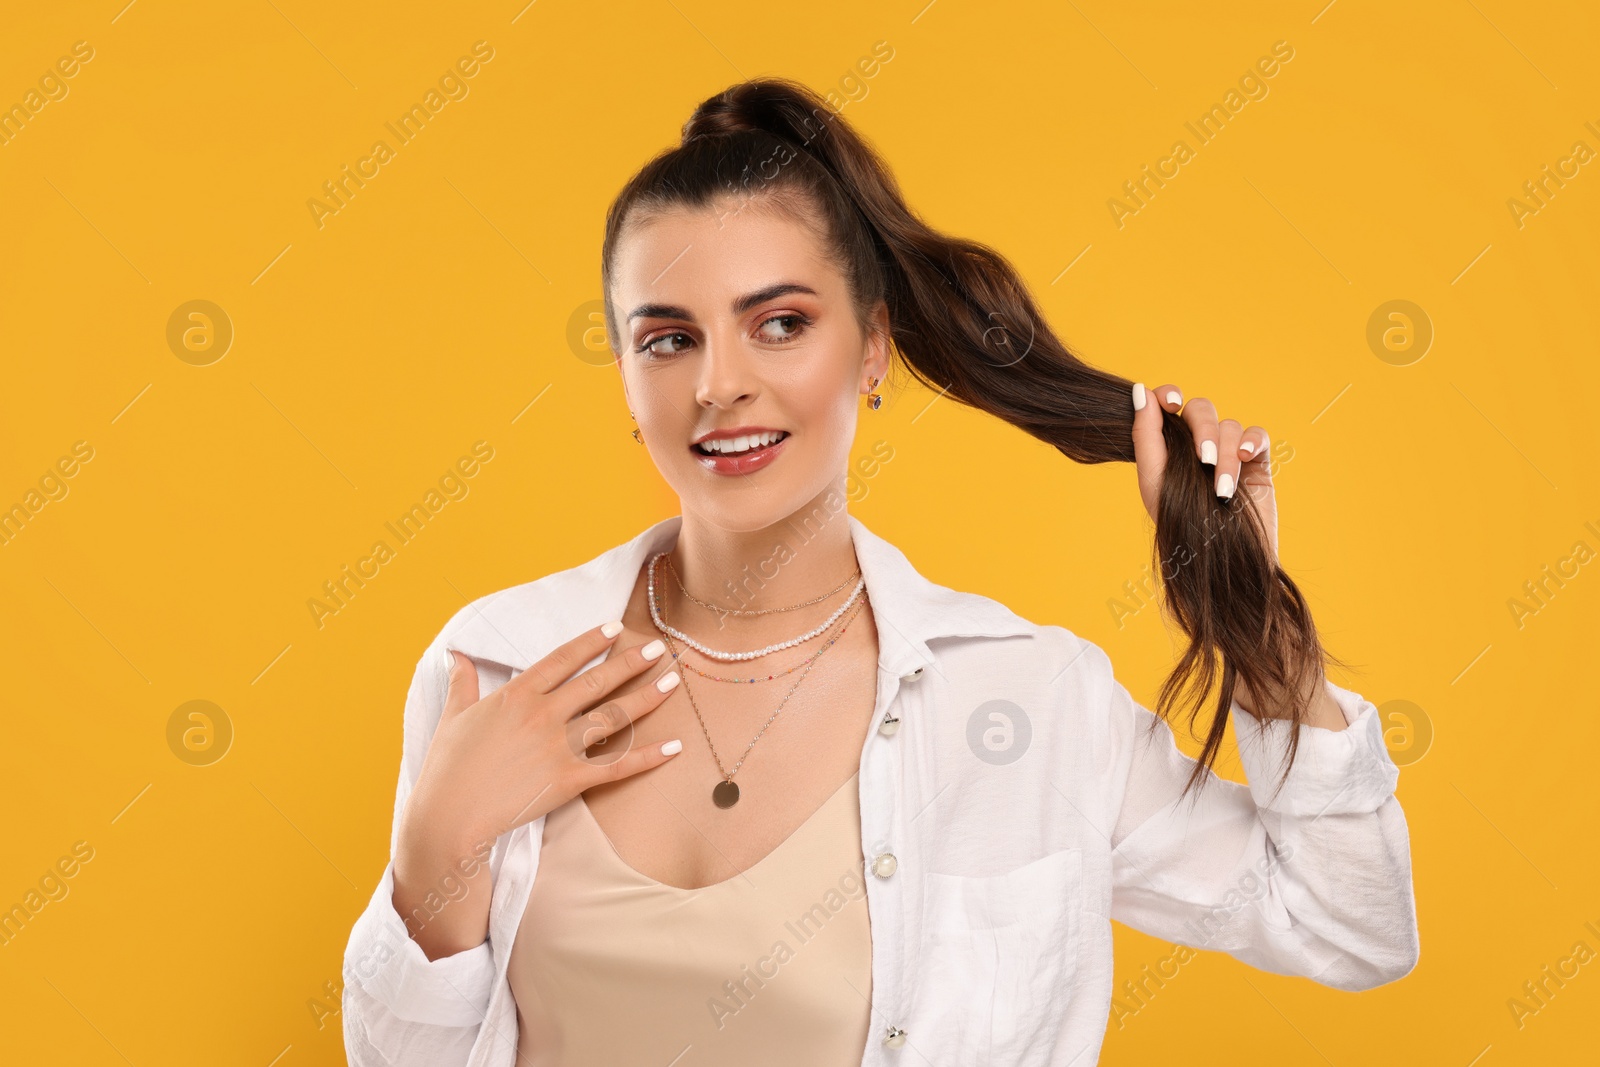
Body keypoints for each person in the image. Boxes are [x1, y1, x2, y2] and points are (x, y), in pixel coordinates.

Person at [341, 77, 1419, 1066]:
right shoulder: (495, 664)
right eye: (666, 339)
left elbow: (1346, 921)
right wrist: (433, 852)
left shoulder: (1027, 700)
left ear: (871, 348)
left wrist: (1255, 626)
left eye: (779, 324)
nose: (720, 384)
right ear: (625, 377)